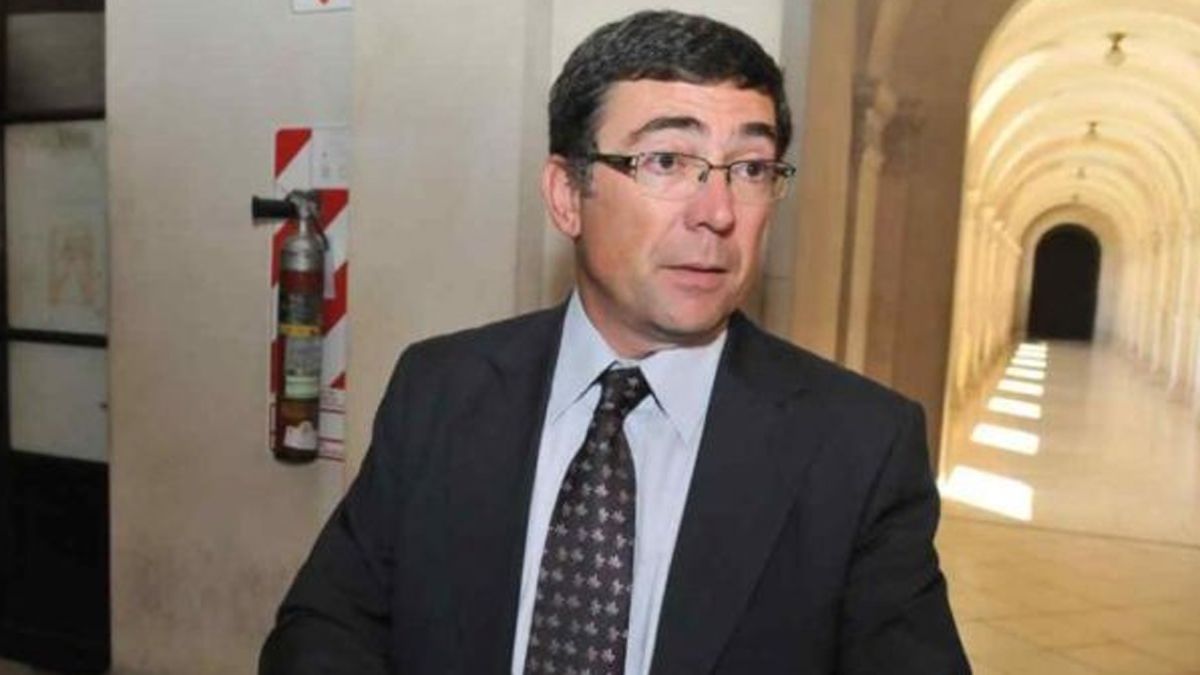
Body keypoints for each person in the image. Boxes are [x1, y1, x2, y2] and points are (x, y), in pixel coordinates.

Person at [261, 10, 970, 675]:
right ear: (567, 195)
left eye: (751, 169)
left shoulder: (860, 448)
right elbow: (325, 627)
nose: (718, 212)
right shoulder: (441, 388)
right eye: (666, 161)